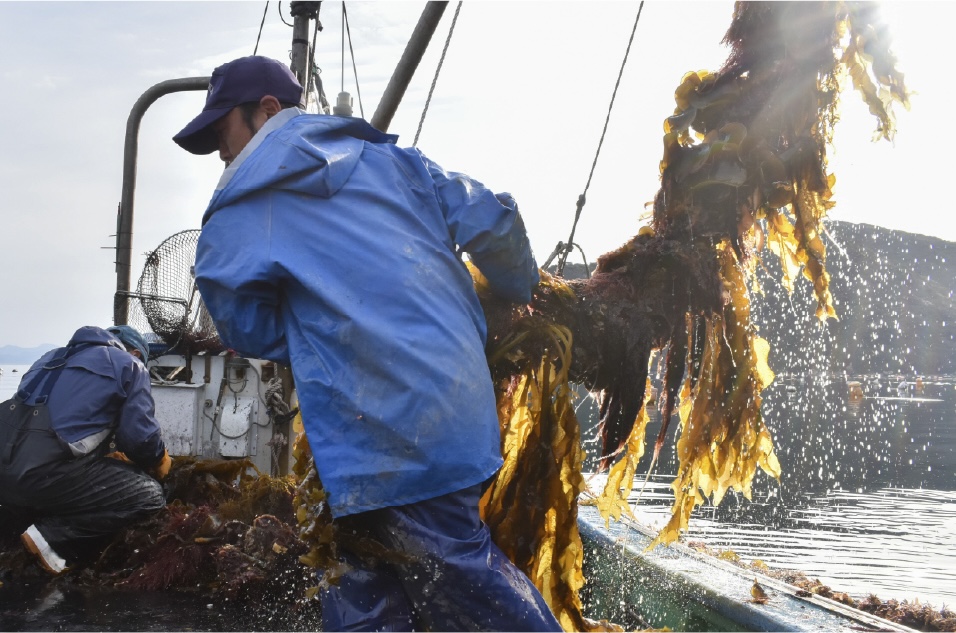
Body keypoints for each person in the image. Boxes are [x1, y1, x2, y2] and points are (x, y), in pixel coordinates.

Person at [174, 55, 561, 631]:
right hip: (457, 406)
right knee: (363, 574)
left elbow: (245, 326)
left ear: (267, 109)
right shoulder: (394, 160)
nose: (220, 152)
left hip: (377, 434)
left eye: (221, 131)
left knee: (455, 581)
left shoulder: (240, 210)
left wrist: (324, 337)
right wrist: (519, 289)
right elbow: (493, 220)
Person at [0, 325, 170, 575]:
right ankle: (50, 539)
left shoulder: (48, 358)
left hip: (4, 472)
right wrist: (159, 459)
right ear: (135, 353)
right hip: (42, 477)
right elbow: (140, 440)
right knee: (149, 496)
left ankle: (11, 533)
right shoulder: (130, 365)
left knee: (30, 487)